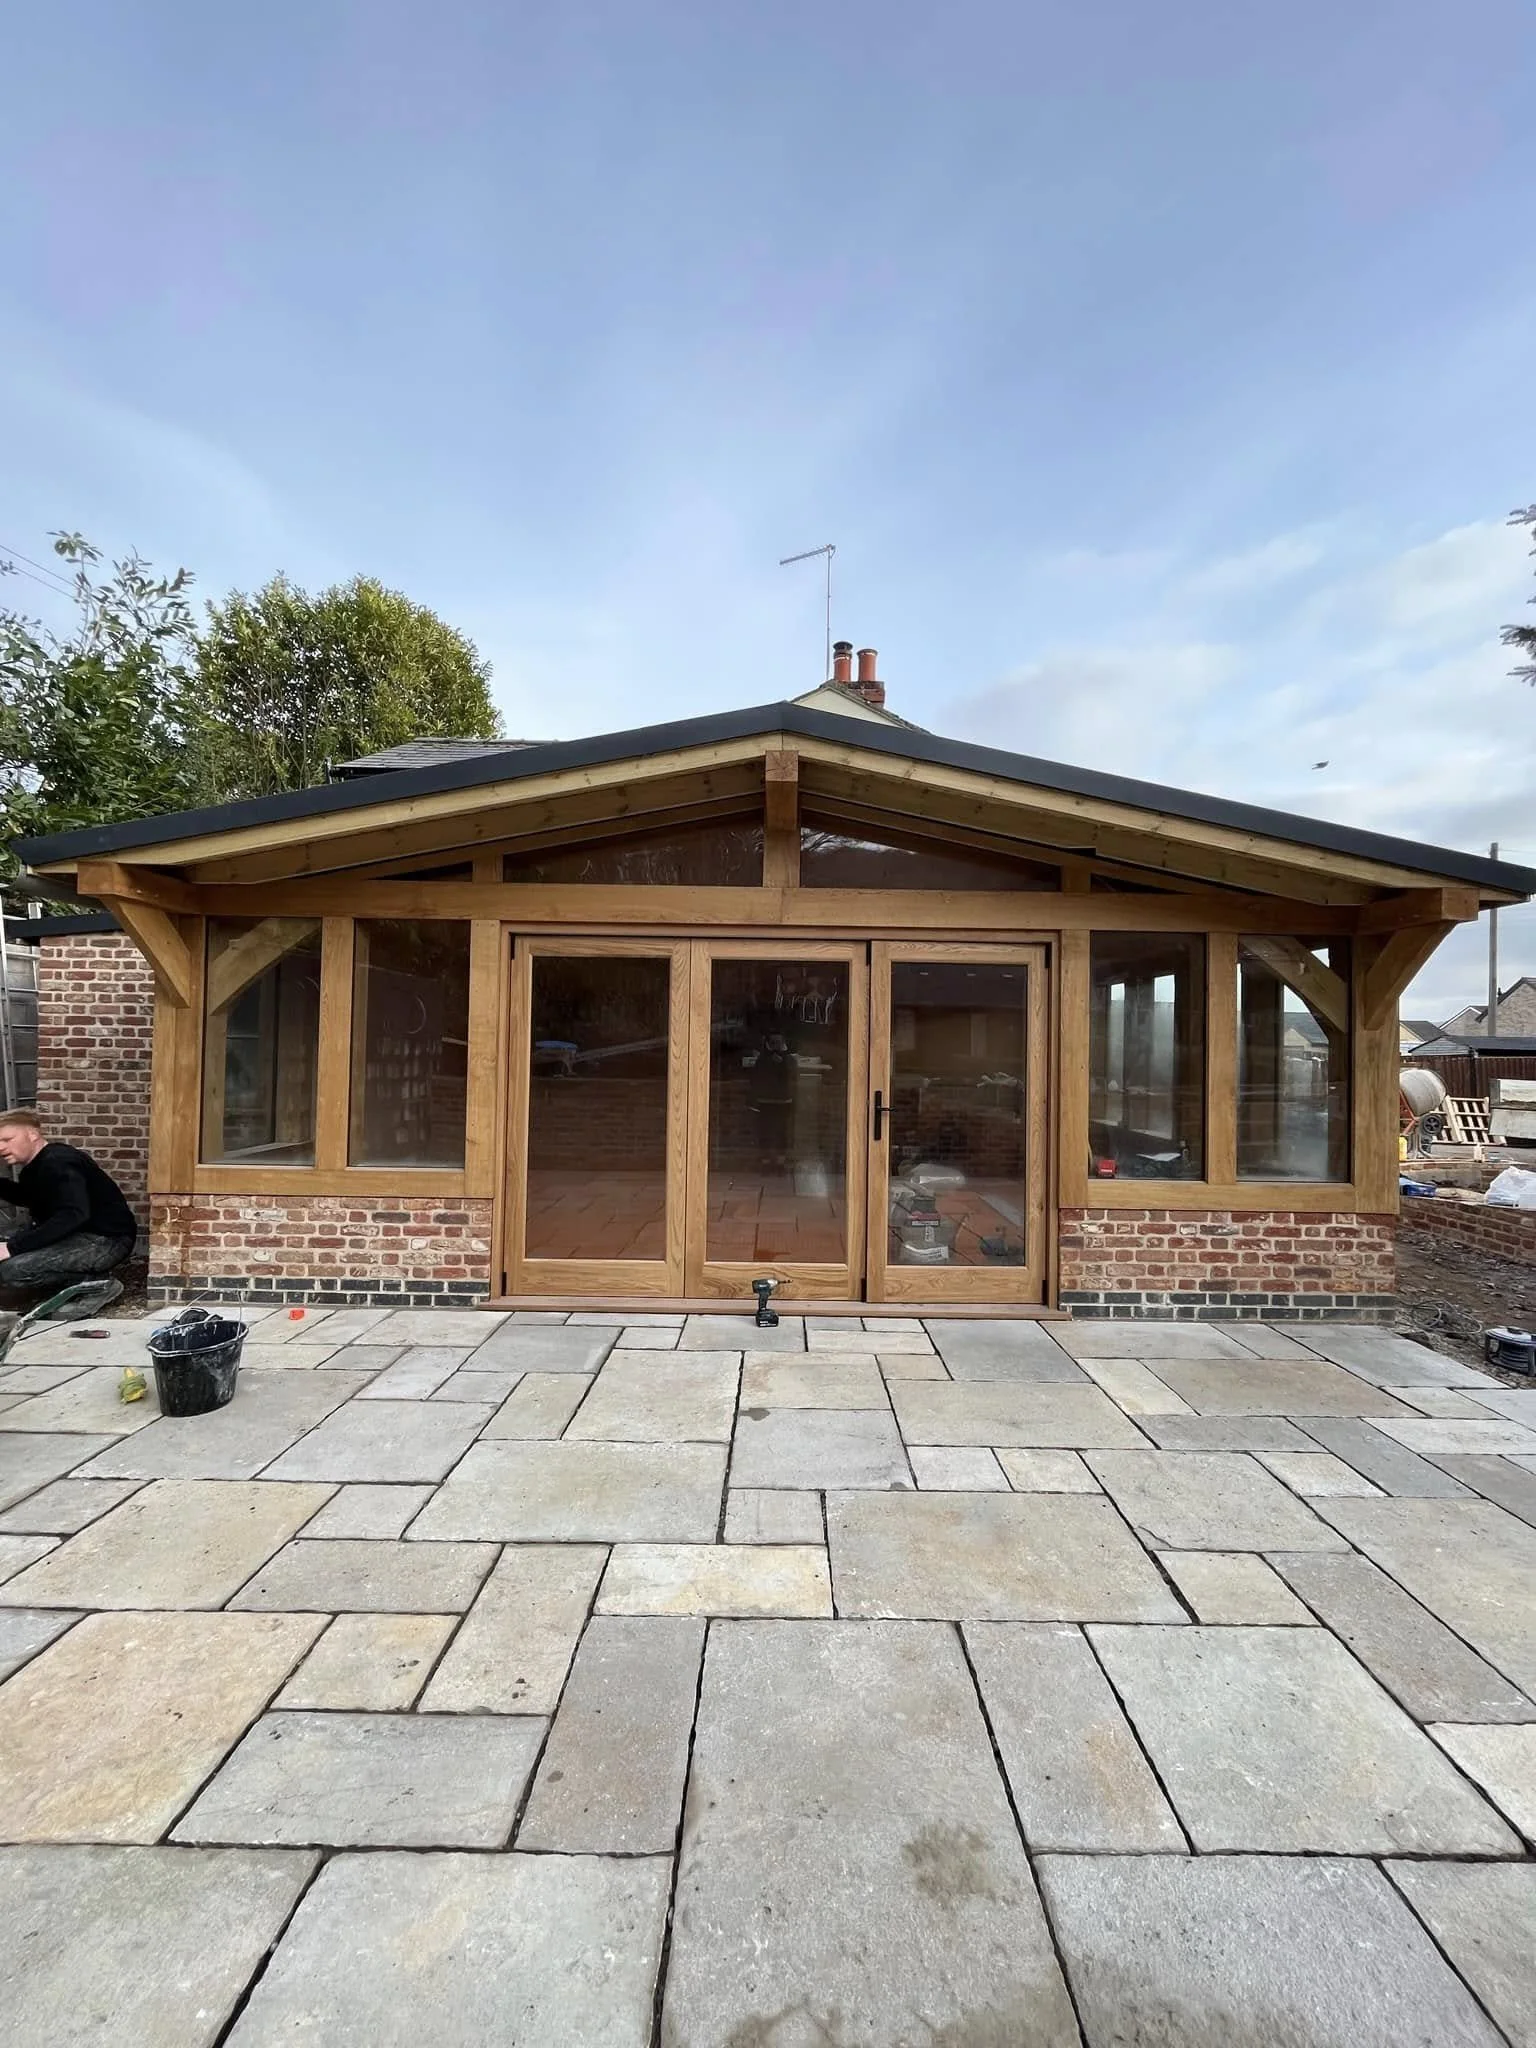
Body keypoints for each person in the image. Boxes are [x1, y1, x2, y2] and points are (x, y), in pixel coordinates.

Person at [0, 1111, 137, 1297]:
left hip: (106, 1241)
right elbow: (29, 1197)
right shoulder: (35, 1167)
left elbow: (74, 1214)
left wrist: (13, 1248)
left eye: (7, 1139)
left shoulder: (59, 1161)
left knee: (12, 1270)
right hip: (80, 1236)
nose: (1, 1147)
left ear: (32, 1134)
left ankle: (96, 1285)